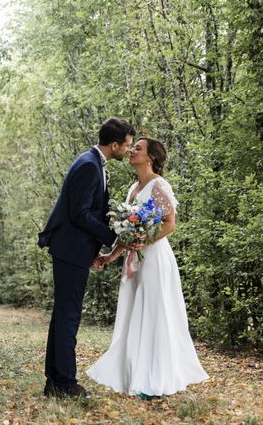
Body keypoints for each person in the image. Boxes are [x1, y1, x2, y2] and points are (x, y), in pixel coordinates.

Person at [86, 137, 209, 398]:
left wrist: (144, 242)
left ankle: (156, 380)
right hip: (135, 260)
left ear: (151, 157)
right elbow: (128, 232)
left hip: (155, 259)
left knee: (154, 314)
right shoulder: (133, 189)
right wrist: (111, 255)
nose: (131, 151)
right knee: (135, 314)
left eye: (137, 149)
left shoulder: (158, 185)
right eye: (132, 148)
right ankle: (136, 375)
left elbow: (170, 223)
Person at [38, 118, 136, 399]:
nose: (128, 150)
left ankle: (55, 381)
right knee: (68, 318)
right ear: (114, 144)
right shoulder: (89, 165)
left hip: (75, 248)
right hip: (70, 250)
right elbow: (79, 213)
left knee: (63, 317)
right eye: (127, 145)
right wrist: (112, 236)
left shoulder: (93, 163)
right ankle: (65, 383)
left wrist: (94, 249)